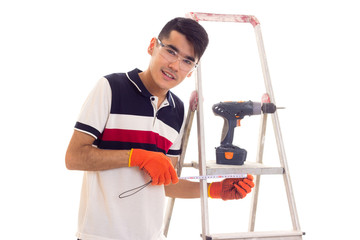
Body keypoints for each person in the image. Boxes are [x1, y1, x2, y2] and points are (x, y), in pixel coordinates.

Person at [65, 17, 255, 240]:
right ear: (152, 46)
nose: (175, 65)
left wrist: (214, 190)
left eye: (187, 61)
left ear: (192, 70)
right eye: (171, 52)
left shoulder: (177, 110)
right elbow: (74, 157)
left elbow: (166, 183)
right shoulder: (111, 88)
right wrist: (136, 157)